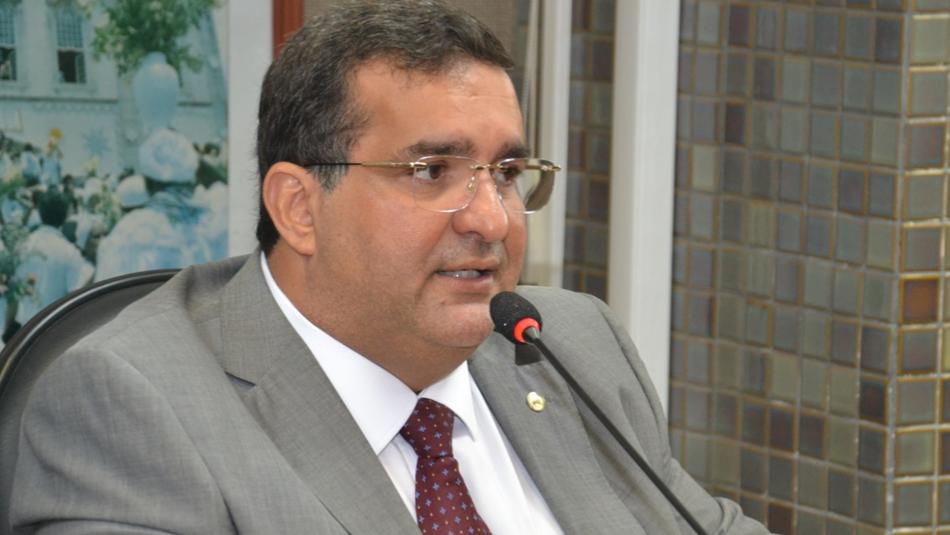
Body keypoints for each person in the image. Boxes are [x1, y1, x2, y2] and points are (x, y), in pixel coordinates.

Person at [9, 1, 768, 533]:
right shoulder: (132, 407)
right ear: (299, 208)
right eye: (431, 172)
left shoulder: (570, 343)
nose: (492, 219)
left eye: (507, 173)